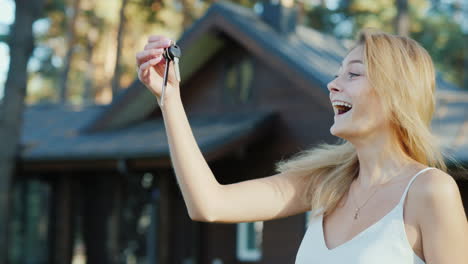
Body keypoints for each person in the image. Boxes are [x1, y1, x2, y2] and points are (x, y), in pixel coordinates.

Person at [136, 29, 468, 263]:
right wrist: (169, 99)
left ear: (397, 92)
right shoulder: (324, 182)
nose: (332, 84)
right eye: (337, 74)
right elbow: (209, 204)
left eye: (353, 75)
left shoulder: (430, 190)